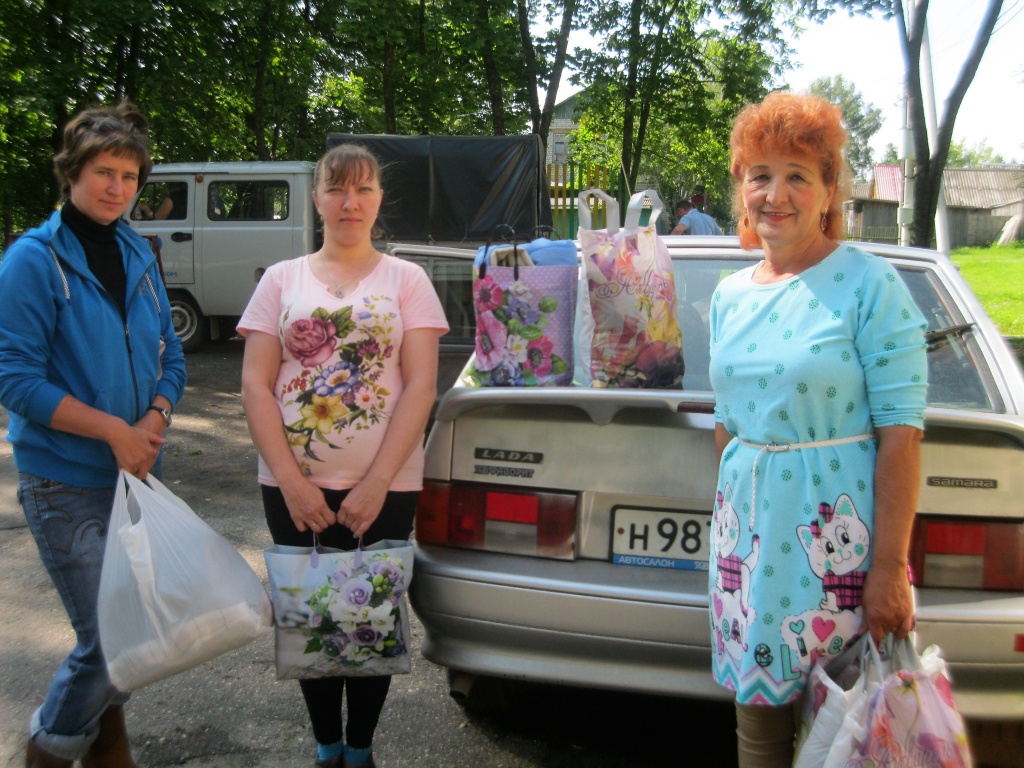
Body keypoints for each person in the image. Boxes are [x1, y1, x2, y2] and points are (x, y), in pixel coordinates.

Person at [706, 91, 927, 768]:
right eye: (759, 175)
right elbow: (727, 428)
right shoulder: (729, 294)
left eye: (798, 175)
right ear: (741, 191)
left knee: (852, 731)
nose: (776, 194)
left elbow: (901, 435)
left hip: (844, 559)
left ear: (829, 191)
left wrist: (889, 567)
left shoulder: (870, 284)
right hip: (751, 551)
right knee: (758, 728)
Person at [238, 143, 449, 768]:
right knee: (311, 620)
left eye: (363, 190)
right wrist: (290, 481)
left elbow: (421, 385)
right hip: (291, 489)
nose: (349, 202)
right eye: (336, 188)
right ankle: (326, 748)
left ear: (379, 199)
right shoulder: (282, 280)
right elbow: (254, 385)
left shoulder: (407, 280)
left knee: (371, 621)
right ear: (317, 197)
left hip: (385, 489)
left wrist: (378, 482)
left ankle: (361, 751)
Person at [0, 102, 187, 768]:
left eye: (130, 176)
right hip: (66, 483)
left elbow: (174, 355)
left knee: (133, 632)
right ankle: (46, 751)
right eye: (104, 171)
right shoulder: (32, 259)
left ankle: (110, 747)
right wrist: (114, 430)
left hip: (137, 477)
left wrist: (154, 418)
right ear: (71, 172)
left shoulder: (138, 250)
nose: (116, 187)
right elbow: (15, 380)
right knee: (107, 641)